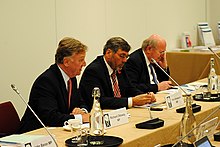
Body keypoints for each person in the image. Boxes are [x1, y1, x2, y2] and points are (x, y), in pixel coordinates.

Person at [18, 37, 90, 133]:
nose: (84, 64)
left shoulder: (72, 78)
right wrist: (80, 118)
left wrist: (82, 110)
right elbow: (51, 117)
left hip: (59, 131)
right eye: (81, 60)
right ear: (66, 62)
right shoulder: (46, 81)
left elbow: (82, 102)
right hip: (35, 135)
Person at [79, 37, 156, 111]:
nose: (125, 60)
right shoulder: (93, 71)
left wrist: (145, 96)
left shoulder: (120, 67)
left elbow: (129, 89)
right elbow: (100, 101)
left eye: (126, 57)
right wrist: (132, 101)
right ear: (108, 53)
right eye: (122, 56)